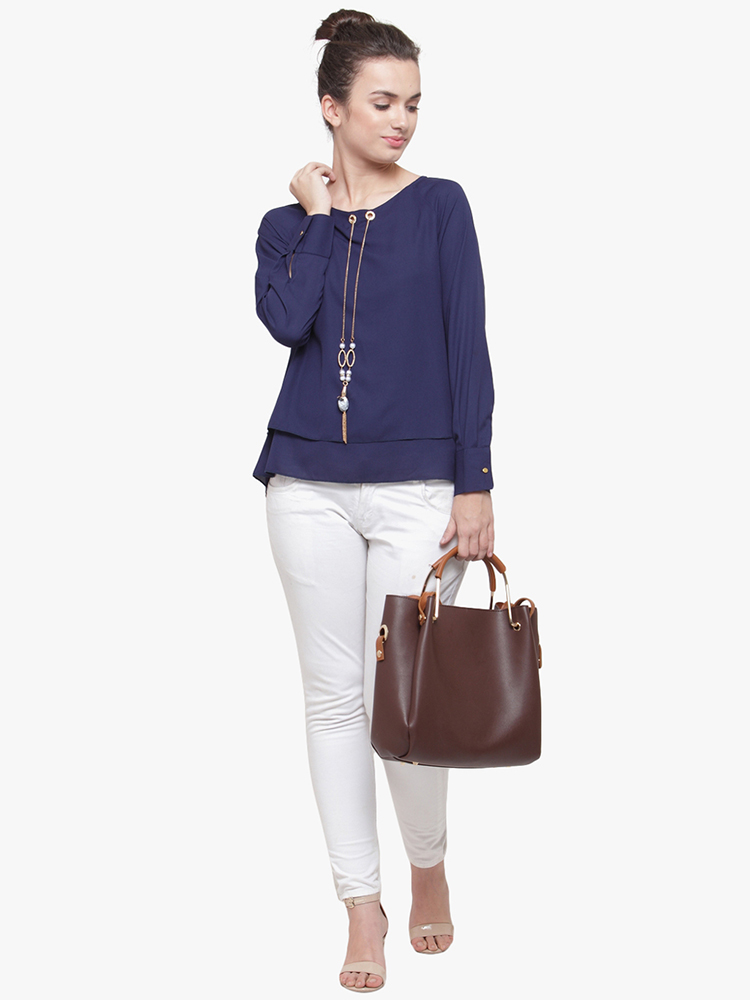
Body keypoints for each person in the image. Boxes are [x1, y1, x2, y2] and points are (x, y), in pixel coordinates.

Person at [253, 10, 495, 992]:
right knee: (332, 699)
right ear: (332, 107)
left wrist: (475, 483)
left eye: (413, 105)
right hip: (305, 484)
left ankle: (427, 864)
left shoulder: (441, 208)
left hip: (417, 489)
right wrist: (316, 219)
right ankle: (362, 904)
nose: (401, 121)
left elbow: (469, 348)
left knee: (405, 701)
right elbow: (287, 323)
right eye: (383, 102)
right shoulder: (284, 227)